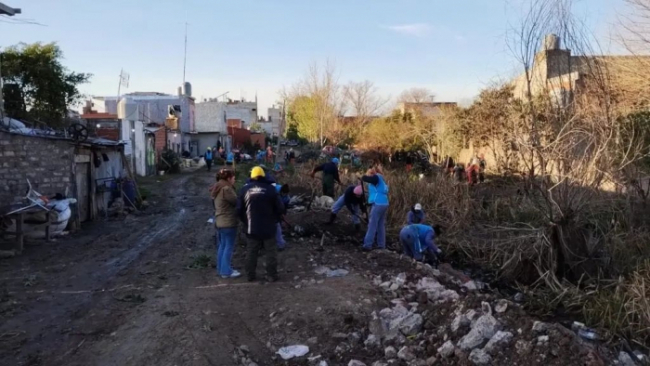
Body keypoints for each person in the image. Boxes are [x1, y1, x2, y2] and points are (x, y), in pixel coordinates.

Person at [237, 166, 285, 282]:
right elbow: (281, 208)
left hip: (251, 228)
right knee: (270, 252)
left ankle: (250, 275)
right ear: (264, 176)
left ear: (251, 176)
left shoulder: (244, 190)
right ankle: (271, 275)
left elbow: (238, 210)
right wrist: (276, 218)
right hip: (269, 227)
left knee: (251, 251)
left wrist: (245, 221)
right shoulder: (271, 189)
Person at [212, 169, 241, 278]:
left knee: (222, 246)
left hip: (219, 221)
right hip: (228, 221)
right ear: (228, 178)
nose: (234, 180)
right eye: (233, 178)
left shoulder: (217, 187)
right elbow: (236, 202)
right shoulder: (226, 189)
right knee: (228, 246)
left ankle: (221, 268)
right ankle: (226, 271)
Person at [361, 166, 389, 251]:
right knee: (380, 225)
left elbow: (370, 179)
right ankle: (381, 245)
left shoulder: (377, 177)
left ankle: (367, 245)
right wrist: (368, 203)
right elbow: (376, 193)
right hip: (384, 203)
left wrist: (363, 177)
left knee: (372, 224)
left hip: (378, 203)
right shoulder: (381, 180)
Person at [274, 183, 291, 251]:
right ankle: (279, 241)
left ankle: (279, 234)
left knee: (278, 221)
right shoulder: (275, 190)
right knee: (275, 222)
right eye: (284, 193)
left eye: (286, 194)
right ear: (282, 192)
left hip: (279, 206)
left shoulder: (287, 198)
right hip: (271, 207)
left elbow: (285, 207)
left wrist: (283, 214)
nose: (285, 195)